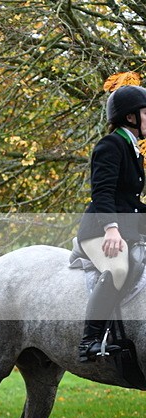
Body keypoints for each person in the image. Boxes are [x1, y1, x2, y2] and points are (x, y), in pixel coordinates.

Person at [76, 73, 146, 362]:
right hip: (99, 230)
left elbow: (129, 201)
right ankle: (89, 341)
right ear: (131, 117)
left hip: (124, 224)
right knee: (119, 268)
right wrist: (112, 229)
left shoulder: (132, 149)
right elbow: (103, 193)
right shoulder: (110, 145)